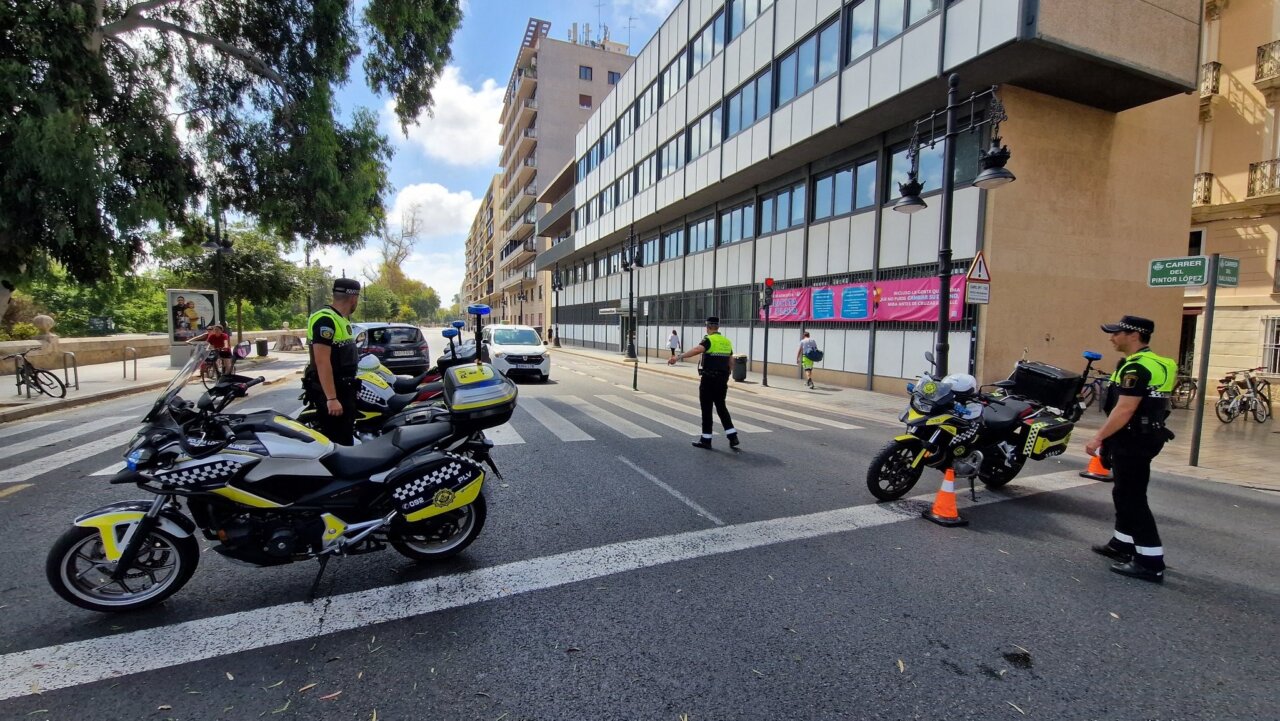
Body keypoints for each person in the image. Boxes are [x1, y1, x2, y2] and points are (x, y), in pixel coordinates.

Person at [1083, 315, 1177, 583]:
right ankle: (1122, 544)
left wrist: (1097, 438)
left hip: (1133, 438)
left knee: (1133, 498)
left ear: (1134, 335)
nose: (1112, 338)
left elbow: (1125, 409)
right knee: (1123, 492)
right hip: (1144, 435)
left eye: (1117, 333)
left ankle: (1150, 561)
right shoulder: (1157, 362)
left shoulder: (1136, 368)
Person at [304, 278, 362, 445]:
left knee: (345, 437)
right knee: (338, 442)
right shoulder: (325, 319)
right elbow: (322, 361)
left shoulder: (341, 319)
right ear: (353, 298)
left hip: (344, 390)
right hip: (333, 393)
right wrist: (331, 398)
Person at [669, 316, 739, 450]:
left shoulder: (708, 339)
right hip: (722, 379)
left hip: (709, 379)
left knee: (706, 409)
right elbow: (731, 362)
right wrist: (727, 375)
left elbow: (697, 350)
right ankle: (733, 437)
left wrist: (678, 357)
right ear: (718, 327)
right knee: (721, 407)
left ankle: (706, 440)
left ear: (707, 327)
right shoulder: (727, 341)